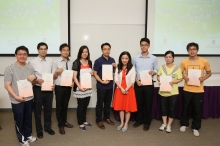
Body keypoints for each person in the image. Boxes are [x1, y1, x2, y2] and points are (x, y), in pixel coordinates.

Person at [4, 46, 37, 146]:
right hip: (17, 99)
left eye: (24, 54)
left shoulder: (30, 67)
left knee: (28, 117)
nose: (22, 56)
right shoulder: (10, 68)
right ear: (15, 55)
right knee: (19, 119)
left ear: (27, 56)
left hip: (29, 98)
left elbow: (33, 83)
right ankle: (22, 138)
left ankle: (28, 135)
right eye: (20, 54)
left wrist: (34, 78)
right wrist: (16, 97)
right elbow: (7, 85)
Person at [180, 42, 211, 136]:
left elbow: (209, 73)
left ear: (197, 50)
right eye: (190, 49)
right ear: (187, 51)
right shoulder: (184, 62)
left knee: (197, 109)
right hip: (187, 89)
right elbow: (180, 73)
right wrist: (184, 77)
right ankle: (184, 124)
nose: (192, 51)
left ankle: (195, 127)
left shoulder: (204, 61)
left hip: (198, 90)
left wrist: (203, 78)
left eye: (194, 49)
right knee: (185, 108)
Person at [30, 42, 55, 138]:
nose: (43, 50)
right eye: (41, 49)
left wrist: (53, 83)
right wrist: (36, 81)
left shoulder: (50, 61)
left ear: (47, 50)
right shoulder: (32, 62)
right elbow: (31, 77)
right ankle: (39, 130)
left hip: (49, 89)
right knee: (38, 110)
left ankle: (47, 127)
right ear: (38, 50)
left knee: (48, 110)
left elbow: (53, 75)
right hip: (38, 89)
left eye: (45, 49)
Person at [132, 38, 158, 131]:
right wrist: (136, 81)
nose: (144, 46)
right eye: (142, 45)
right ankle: (139, 120)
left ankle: (147, 122)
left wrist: (153, 72)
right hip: (138, 83)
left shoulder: (153, 58)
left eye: (145, 45)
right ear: (140, 46)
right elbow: (132, 71)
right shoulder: (135, 58)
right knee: (139, 103)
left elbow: (156, 70)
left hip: (149, 84)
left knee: (148, 103)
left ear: (149, 46)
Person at [157, 50, 183, 133]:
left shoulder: (177, 68)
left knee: (172, 109)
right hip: (163, 91)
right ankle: (164, 124)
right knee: (163, 108)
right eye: (166, 57)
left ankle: (169, 125)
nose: (168, 58)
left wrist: (173, 82)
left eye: (170, 57)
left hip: (173, 92)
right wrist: (159, 80)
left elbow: (180, 78)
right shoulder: (162, 67)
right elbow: (158, 76)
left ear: (173, 58)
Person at [93, 42, 116, 129]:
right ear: (102, 50)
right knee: (100, 104)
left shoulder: (112, 60)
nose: (107, 51)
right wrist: (101, 81)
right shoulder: (98, 61)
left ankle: (106, 118)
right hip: (101, 86)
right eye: (105, 49)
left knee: (107, 103)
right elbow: (95, 73)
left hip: (110, 85)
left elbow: (114, 72)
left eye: (108, 49)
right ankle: (99, 120)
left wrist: (115, 67)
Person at [112, 51, 137, 132]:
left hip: (129, 90)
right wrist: (122, 88)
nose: (124, 60)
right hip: (119, 89)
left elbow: (132, 80)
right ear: (120, 59)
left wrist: (126, 89)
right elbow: (116, 79)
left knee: (127, 108)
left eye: (126, 58)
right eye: (123, 58)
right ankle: (122, 123)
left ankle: (126, 124)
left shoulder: (132, 67)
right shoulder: (118, 67)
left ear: (129, 59)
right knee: (121, 108)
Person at [52, 43, 74, 134]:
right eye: (64, 50)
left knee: (65, 105)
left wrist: (72, 81)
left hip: (68, 87)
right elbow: (53, 77)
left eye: (67, 50)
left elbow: (72, 74)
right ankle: (60, 125)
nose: (66, 52)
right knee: (59, 106)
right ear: (60, 51)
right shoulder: (56, 61)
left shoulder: (70, 61)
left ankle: (64, 121)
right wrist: (57, 71)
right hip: (59, 87)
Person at [72, 46, 93, 131]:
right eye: (83, 52)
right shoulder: (77, 62)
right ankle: (80, 123)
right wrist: (80, 87)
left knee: (85, 105)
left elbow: (89, 73)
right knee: (80, 106)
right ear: (80, 53)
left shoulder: (89, 62)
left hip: (88, 87)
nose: (85, 53)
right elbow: (75, 77)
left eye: (86, 52)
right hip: (80, 88)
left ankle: (84, 121)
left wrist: (91, 73)